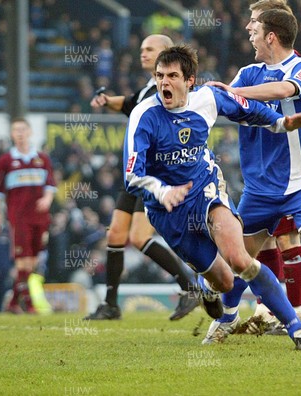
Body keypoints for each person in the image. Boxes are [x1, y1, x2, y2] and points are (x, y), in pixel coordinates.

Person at [124, 44, 301, 350]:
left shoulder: (207, 98)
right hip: (167, 212)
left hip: (205, 190)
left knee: (240, 258)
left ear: (190, 80)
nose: (164, 82)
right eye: (160, 76)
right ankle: (212, 296)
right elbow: (131, 176)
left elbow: (248, 109)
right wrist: (163, 191)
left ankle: (297, 329)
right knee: (224, 282)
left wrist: (281, 124)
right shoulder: (144, 115)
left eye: (173, 76)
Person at [206, 8, 301, 348]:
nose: (249, 33)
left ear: (271, 36)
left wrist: (234, 92)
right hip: (259, 189)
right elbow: (224, 104)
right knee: (236, 258)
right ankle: (228, 318)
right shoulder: (247, 72)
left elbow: (282, 90)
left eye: (254, 29)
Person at [86, 34, 199, 321]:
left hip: (153, 175)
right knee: (115, 234)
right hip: (134, 175)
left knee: (138, 237)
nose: (143, 54)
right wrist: (106, 100)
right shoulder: (151, 88)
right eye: (141, 49)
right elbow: (129, 103)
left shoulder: (166, 91)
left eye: (150, 49)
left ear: (166, 53)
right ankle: (110, 304)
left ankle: (190, 288)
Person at [0, 118, 56, 314]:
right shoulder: (6, 161)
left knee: (33, 261)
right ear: (11, 134)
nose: (19, 133)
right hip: (19, 217)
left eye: (22, 129)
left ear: (30, 132)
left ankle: (14, 302)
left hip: (40, 217)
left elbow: (51, 185)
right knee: (22, 259)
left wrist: (47, 200)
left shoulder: (42, 158)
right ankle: (29, 303)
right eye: (15, 130)